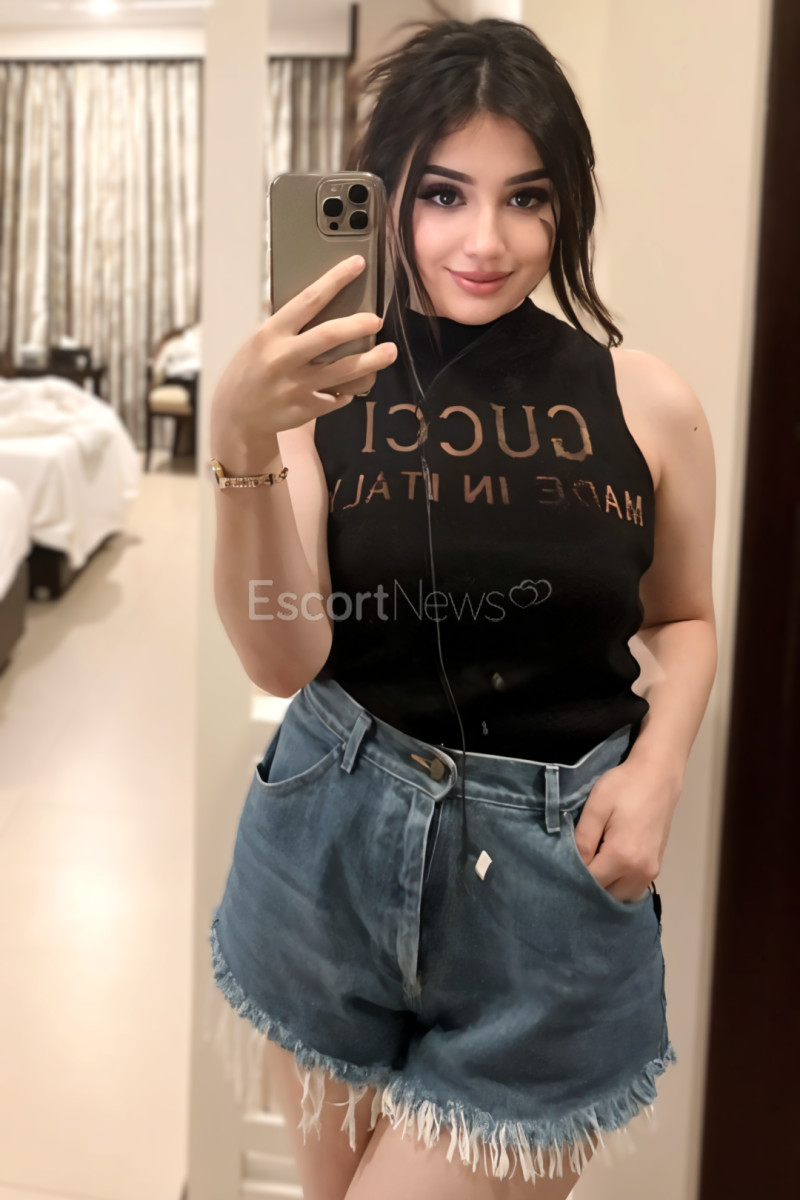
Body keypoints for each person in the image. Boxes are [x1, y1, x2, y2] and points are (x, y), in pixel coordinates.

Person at [204, 16, 717, 1200]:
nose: (484, 241)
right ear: (387, 199)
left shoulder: (645, 402)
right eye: (442, 195)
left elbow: (682, 619)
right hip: (327, 857)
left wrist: (659, 768)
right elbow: (282, 654)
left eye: (524, 198)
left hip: (551, 900)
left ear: (566, 205)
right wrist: (240, 438)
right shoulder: (324, 394)